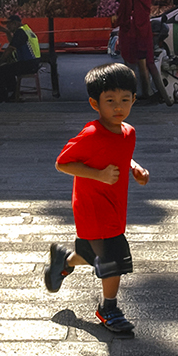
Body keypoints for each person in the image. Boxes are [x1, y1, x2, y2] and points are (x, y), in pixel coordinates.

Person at [43, 61, 151, 337]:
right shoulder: (91, 134)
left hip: (115, 206)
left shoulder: (128, 132)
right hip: (92, 207)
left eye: (125, 100)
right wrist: (99, 175)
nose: (118, 107)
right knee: (113, 258)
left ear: (134, 100)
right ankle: (109, 308)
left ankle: (64, 262)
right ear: (95, 103)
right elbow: (62, 164)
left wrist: (134, 168)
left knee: (94, 254)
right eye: (110, 101)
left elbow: (121, 154)